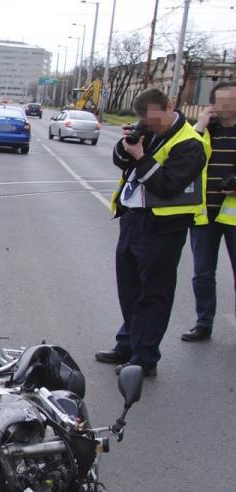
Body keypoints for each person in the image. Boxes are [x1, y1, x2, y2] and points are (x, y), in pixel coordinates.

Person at [94, 88, 209, 378]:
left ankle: (145, 358)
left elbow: (168, 185)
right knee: (129, 288)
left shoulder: (190, 144)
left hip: (163, 227)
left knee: (153, 294)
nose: (150, 125)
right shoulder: (149, 129)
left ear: (170, 106)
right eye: (145, 120)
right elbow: (122, 162)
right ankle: (128, 343)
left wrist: (141, 157)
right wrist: (126, 145)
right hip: (133, 219)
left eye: (154, 120)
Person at [181, 81, 236, 342]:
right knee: (203, 273)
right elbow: (183, 157)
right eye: (223, 100)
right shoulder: (202, 132)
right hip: (204, 213)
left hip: (235, 216)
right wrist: (200, 124)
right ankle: (204, 323)